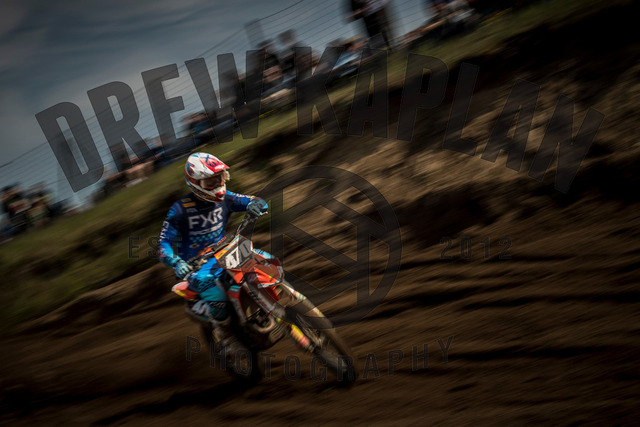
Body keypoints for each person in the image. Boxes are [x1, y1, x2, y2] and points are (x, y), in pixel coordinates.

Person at [157, 152, 269, 360]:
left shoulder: (226, 198)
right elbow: (163, 244)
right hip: (197, 266)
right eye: (210, 182)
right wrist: (176, 262)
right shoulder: (179, 210)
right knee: (212, 290)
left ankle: (273, 303)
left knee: (265, 260)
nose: (217, 185)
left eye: (219, 178)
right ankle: (225, 336)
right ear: (195, 183)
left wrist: (257, 204)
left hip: (225, 250)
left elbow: (252, 200)